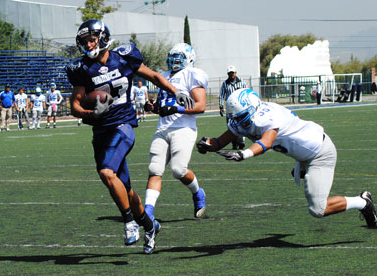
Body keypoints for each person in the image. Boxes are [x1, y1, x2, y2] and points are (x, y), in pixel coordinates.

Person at [66, 19, 192, 254]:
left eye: (91, 39)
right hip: (101, 131)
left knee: (107, 172)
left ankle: (129, 222)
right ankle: (149, 225)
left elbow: (153, 76)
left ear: (103, 37)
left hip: (123, 126)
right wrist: (90, 113)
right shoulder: (81, 68)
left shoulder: (124, 56)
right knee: (123, 187)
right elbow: (75, 105)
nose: (88, 44)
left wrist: (176, 92)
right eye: (84, 41)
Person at [197, 88, 377, 229]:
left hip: (320, 154)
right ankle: (304, 172)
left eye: (241, 117)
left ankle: (362, 202)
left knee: (318, 209)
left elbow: (266, 143)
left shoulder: (267, 116)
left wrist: (243, 154)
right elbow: (221, 141)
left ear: (253, 111)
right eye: (235, 118)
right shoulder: (249, 116)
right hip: (303, 154)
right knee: (304, 180)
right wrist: (207, 144)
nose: (238, 122)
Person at [143, 43, 208, 222]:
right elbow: (162, 106)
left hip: (183, 128)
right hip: (163, 128)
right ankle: (148, 212)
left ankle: (197, 192)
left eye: (178, 58)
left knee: (179, 170)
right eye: (172, 57)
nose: (174, 61)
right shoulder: (163, 76)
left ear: (188, 59)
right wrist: (152, 107)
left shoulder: (192, 74)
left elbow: (200, 106)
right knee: (154, 169)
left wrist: (175, 109)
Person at [219, 65, 247, 149]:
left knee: (241, 123)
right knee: (230, 125)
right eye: (230, 73)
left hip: (240, 107)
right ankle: (234, 143)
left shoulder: (241, 82)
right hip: (229, 107)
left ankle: (241, 141)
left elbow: (245, 92)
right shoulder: (225, 84)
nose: (231, 75)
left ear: (236, 73)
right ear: (228, 74)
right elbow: (221, 95)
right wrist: (221, 106)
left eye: (233, 73)